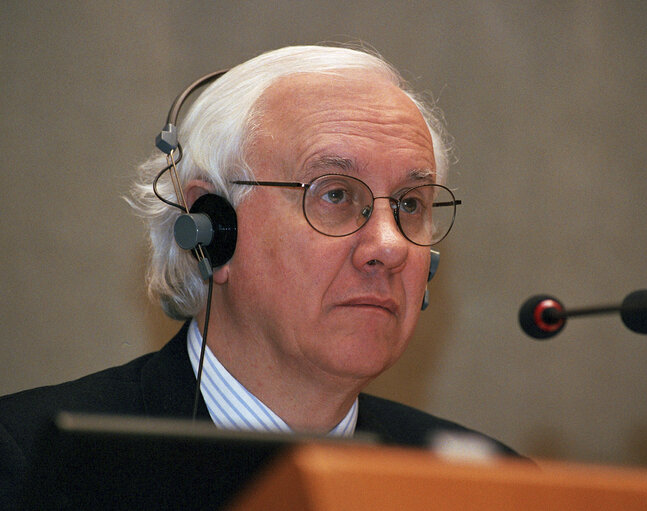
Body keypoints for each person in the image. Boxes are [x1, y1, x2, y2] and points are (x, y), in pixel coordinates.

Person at [0, 45, 522, 507]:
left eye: (410, 204)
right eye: (335, 194)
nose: (388, 246)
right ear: (212, 229)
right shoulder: (29, 464)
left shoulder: (488, 487)